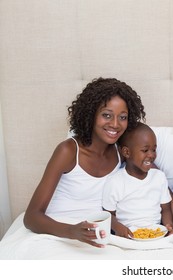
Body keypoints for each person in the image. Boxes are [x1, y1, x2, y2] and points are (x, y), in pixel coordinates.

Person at [24, 77, 145, 248]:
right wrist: (73, 232)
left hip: (97, 235)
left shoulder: (121, 152)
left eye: (123, 117)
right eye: (107, 115)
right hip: (59, 232)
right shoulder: (68, 151)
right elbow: (31, 217)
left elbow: (153, 176)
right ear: (91, 114)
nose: (115, 124)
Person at [102, 123, 173, 257]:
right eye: (145, 150)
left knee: (172, 256)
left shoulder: (159, 177)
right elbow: (108, 214)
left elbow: (166, 208)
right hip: (127, 238)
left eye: (154, 149)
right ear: (127, 152)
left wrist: (168, 225)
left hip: (156, 236)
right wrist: (118, 227)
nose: (151, 155)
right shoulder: (115, 181)